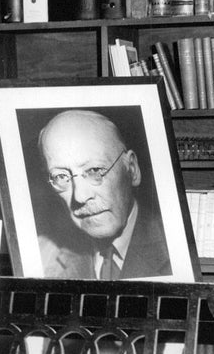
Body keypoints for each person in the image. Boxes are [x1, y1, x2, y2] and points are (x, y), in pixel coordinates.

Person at [37, 109, 172, 280]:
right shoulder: (43, 257)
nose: (80, 197)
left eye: (94, 170)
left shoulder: (175, 247)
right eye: (61, 176)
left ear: (131, 169)